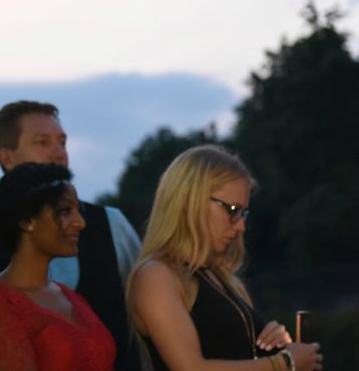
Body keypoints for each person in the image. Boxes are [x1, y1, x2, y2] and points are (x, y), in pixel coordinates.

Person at [0, 101, 141, 370]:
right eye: (42, 142)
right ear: (7, 157)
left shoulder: (111, 224)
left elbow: (143, 319)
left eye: (62, 142)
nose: (59, 153)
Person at [127, 144, 323, 371]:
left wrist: (274, 346)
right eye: (232, 209)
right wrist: (284, 362)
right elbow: (191, 368)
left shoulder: (222, 279)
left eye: (243, 213)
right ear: (191, 200)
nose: (241, 226)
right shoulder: (156, 275)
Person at [0, 162, 116, 370]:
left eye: (78, 210)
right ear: (27, 220)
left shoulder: (69, 296)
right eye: (65, 211)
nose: (80, 222)